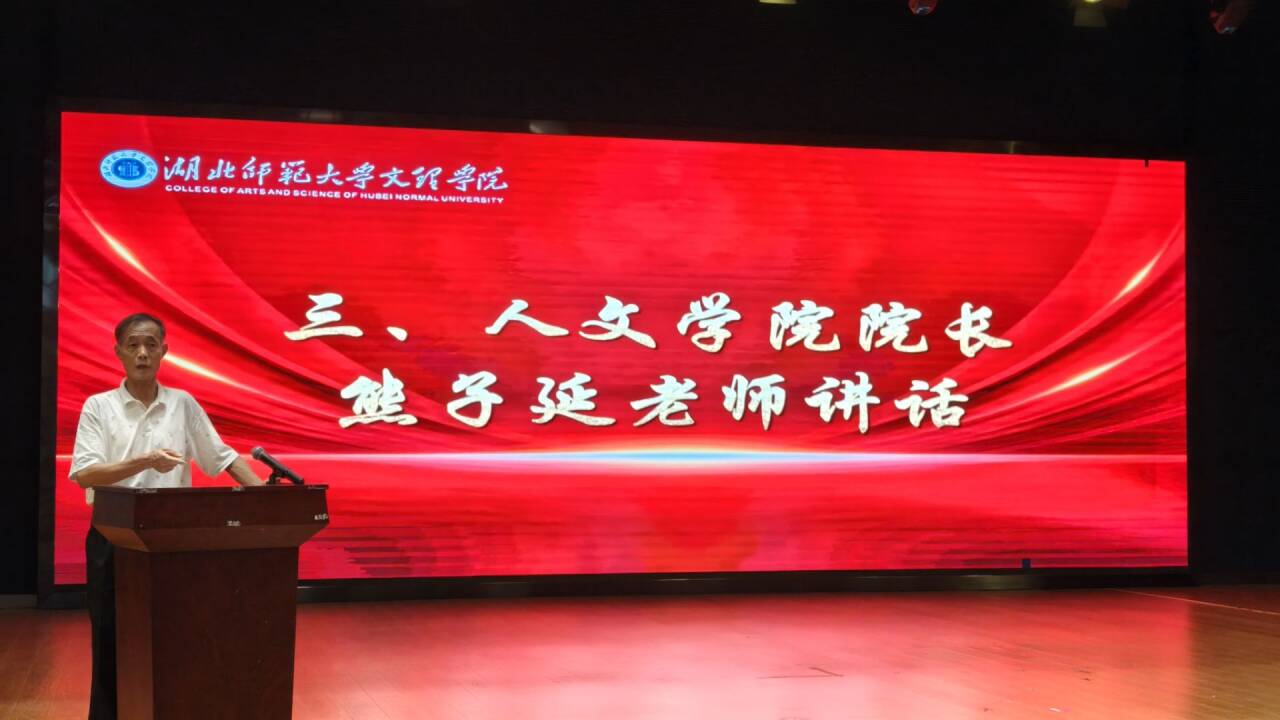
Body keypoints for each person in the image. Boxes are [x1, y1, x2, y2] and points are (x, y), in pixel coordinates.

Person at [68, 313, 264, 720]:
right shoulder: (99, 407)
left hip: (172, 542)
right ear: (119, 352)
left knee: (177, 639)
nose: (142, 353)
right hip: (114, 537)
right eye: (133, 345)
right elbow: (85, 473)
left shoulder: (182, 404)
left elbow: (223, 457)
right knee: (111, 640)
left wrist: (268, 497)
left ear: (164, 351)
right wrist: (145, 461)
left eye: (151, 345)